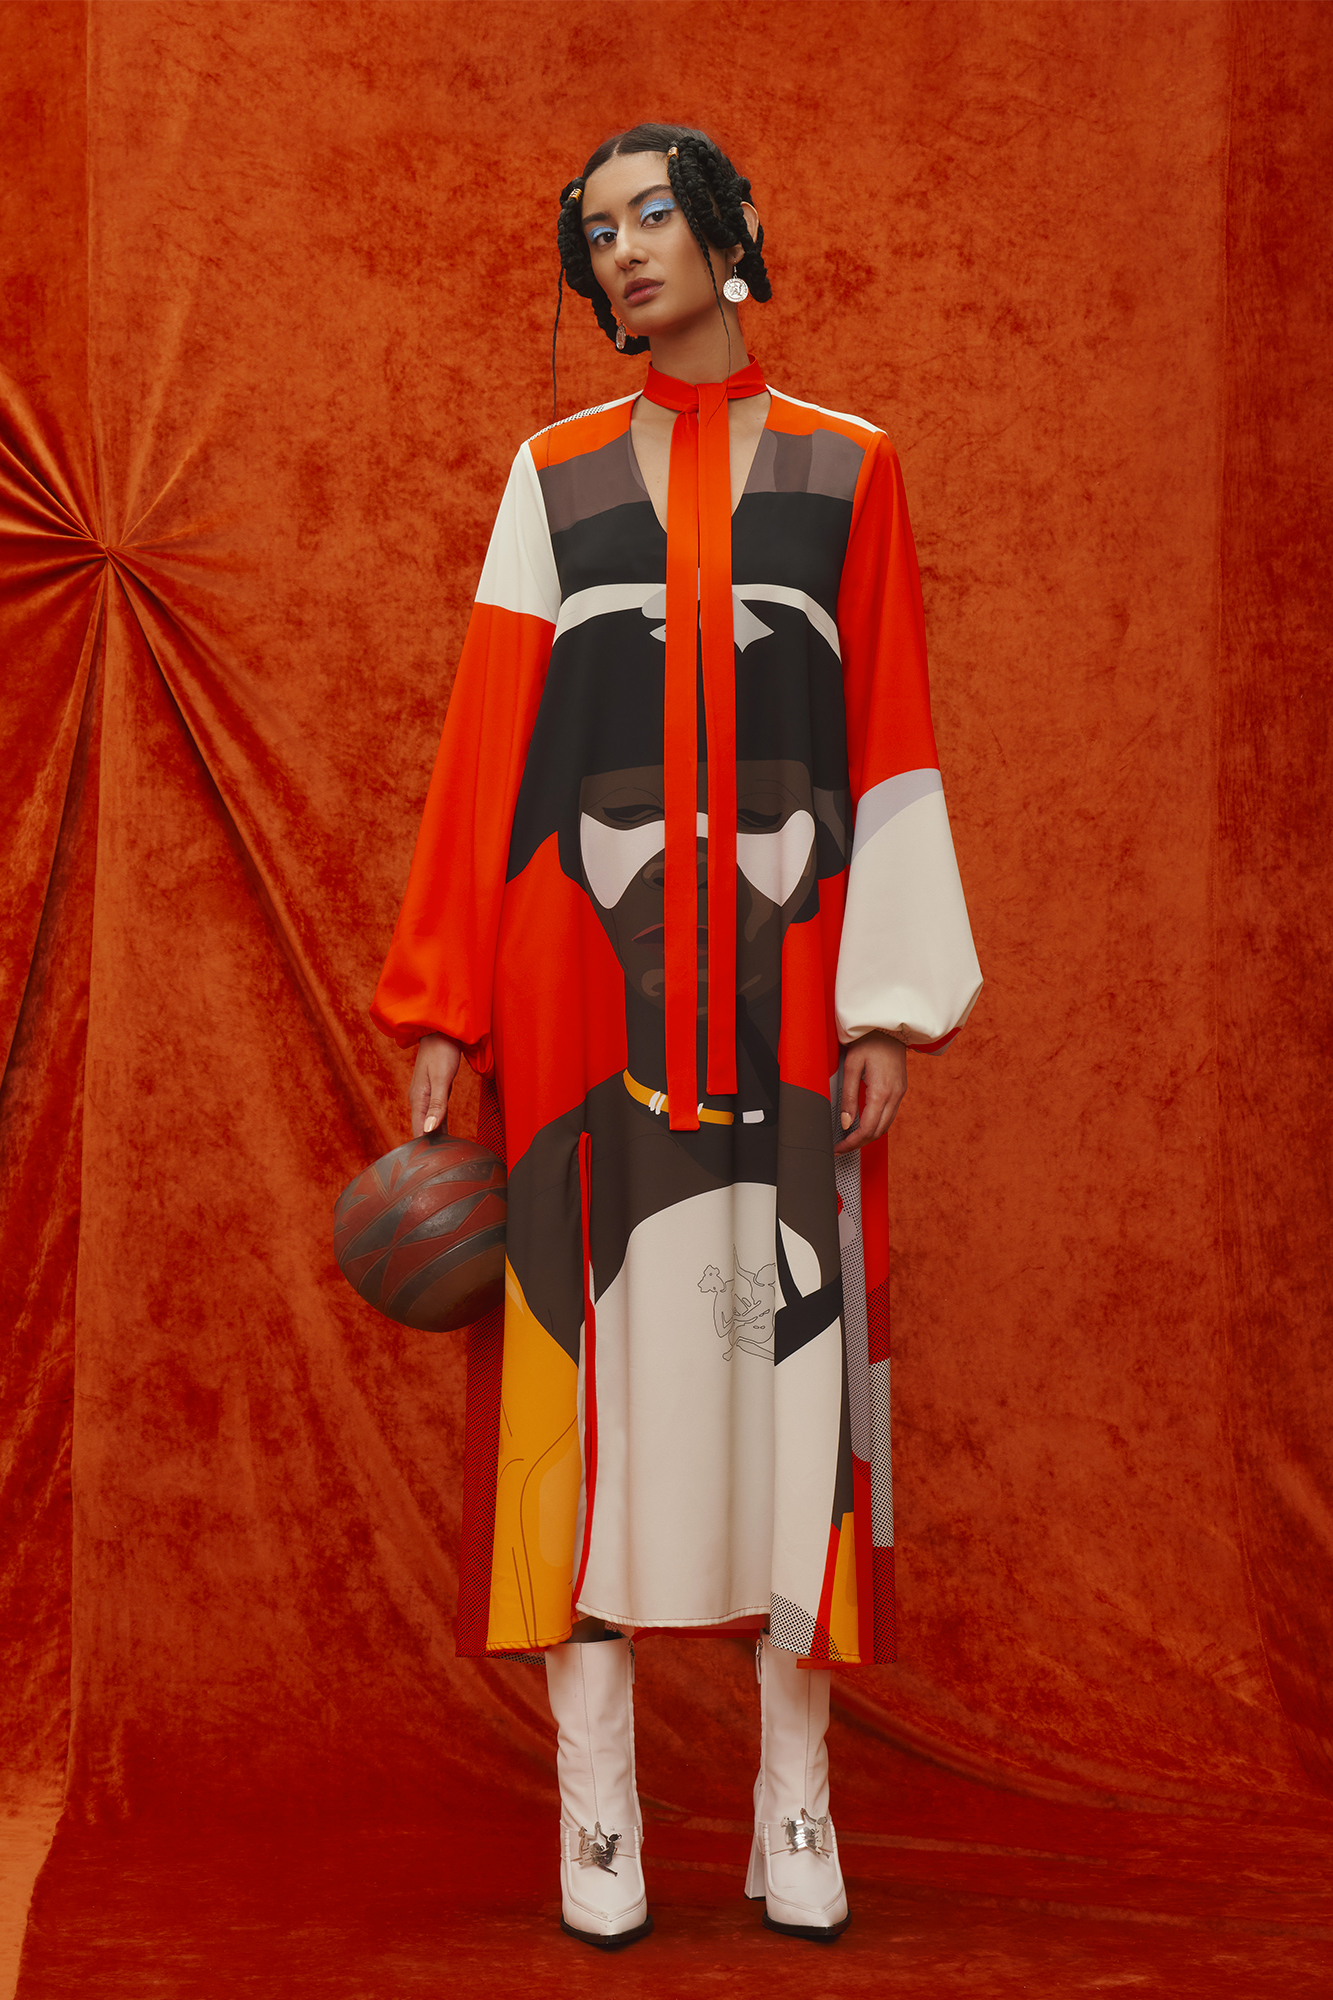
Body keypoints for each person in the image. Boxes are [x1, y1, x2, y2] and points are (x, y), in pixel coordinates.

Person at [371, 122, 981, 1951]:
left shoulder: (850, 469)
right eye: (596, 235)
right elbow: (490, 738)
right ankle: (601, 1808)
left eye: (652, 217)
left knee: (802, 1381)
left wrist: (885, 1001)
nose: (623, 253)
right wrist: (442, 998)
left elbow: (892, 737)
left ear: (731, 232)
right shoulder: (549, 481)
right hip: (575, 1001)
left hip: (793, 1004)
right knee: (585, 1389)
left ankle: (795, 1803)